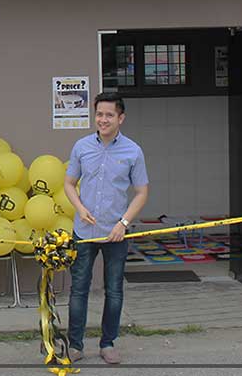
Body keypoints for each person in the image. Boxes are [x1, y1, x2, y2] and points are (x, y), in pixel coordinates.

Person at [63, 92, 149, 365]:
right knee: (79, 290)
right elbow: (68, 184)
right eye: (99, 114)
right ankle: (75, 345)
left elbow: (142, 193)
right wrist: (80, 208)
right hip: (84, 232)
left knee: (114, 291)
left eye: (109, 115)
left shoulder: (133, 151)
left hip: (115, 234)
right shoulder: (81, 147)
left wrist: (123, 223)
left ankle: (108, 343)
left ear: (120, 118)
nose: (103, 119)